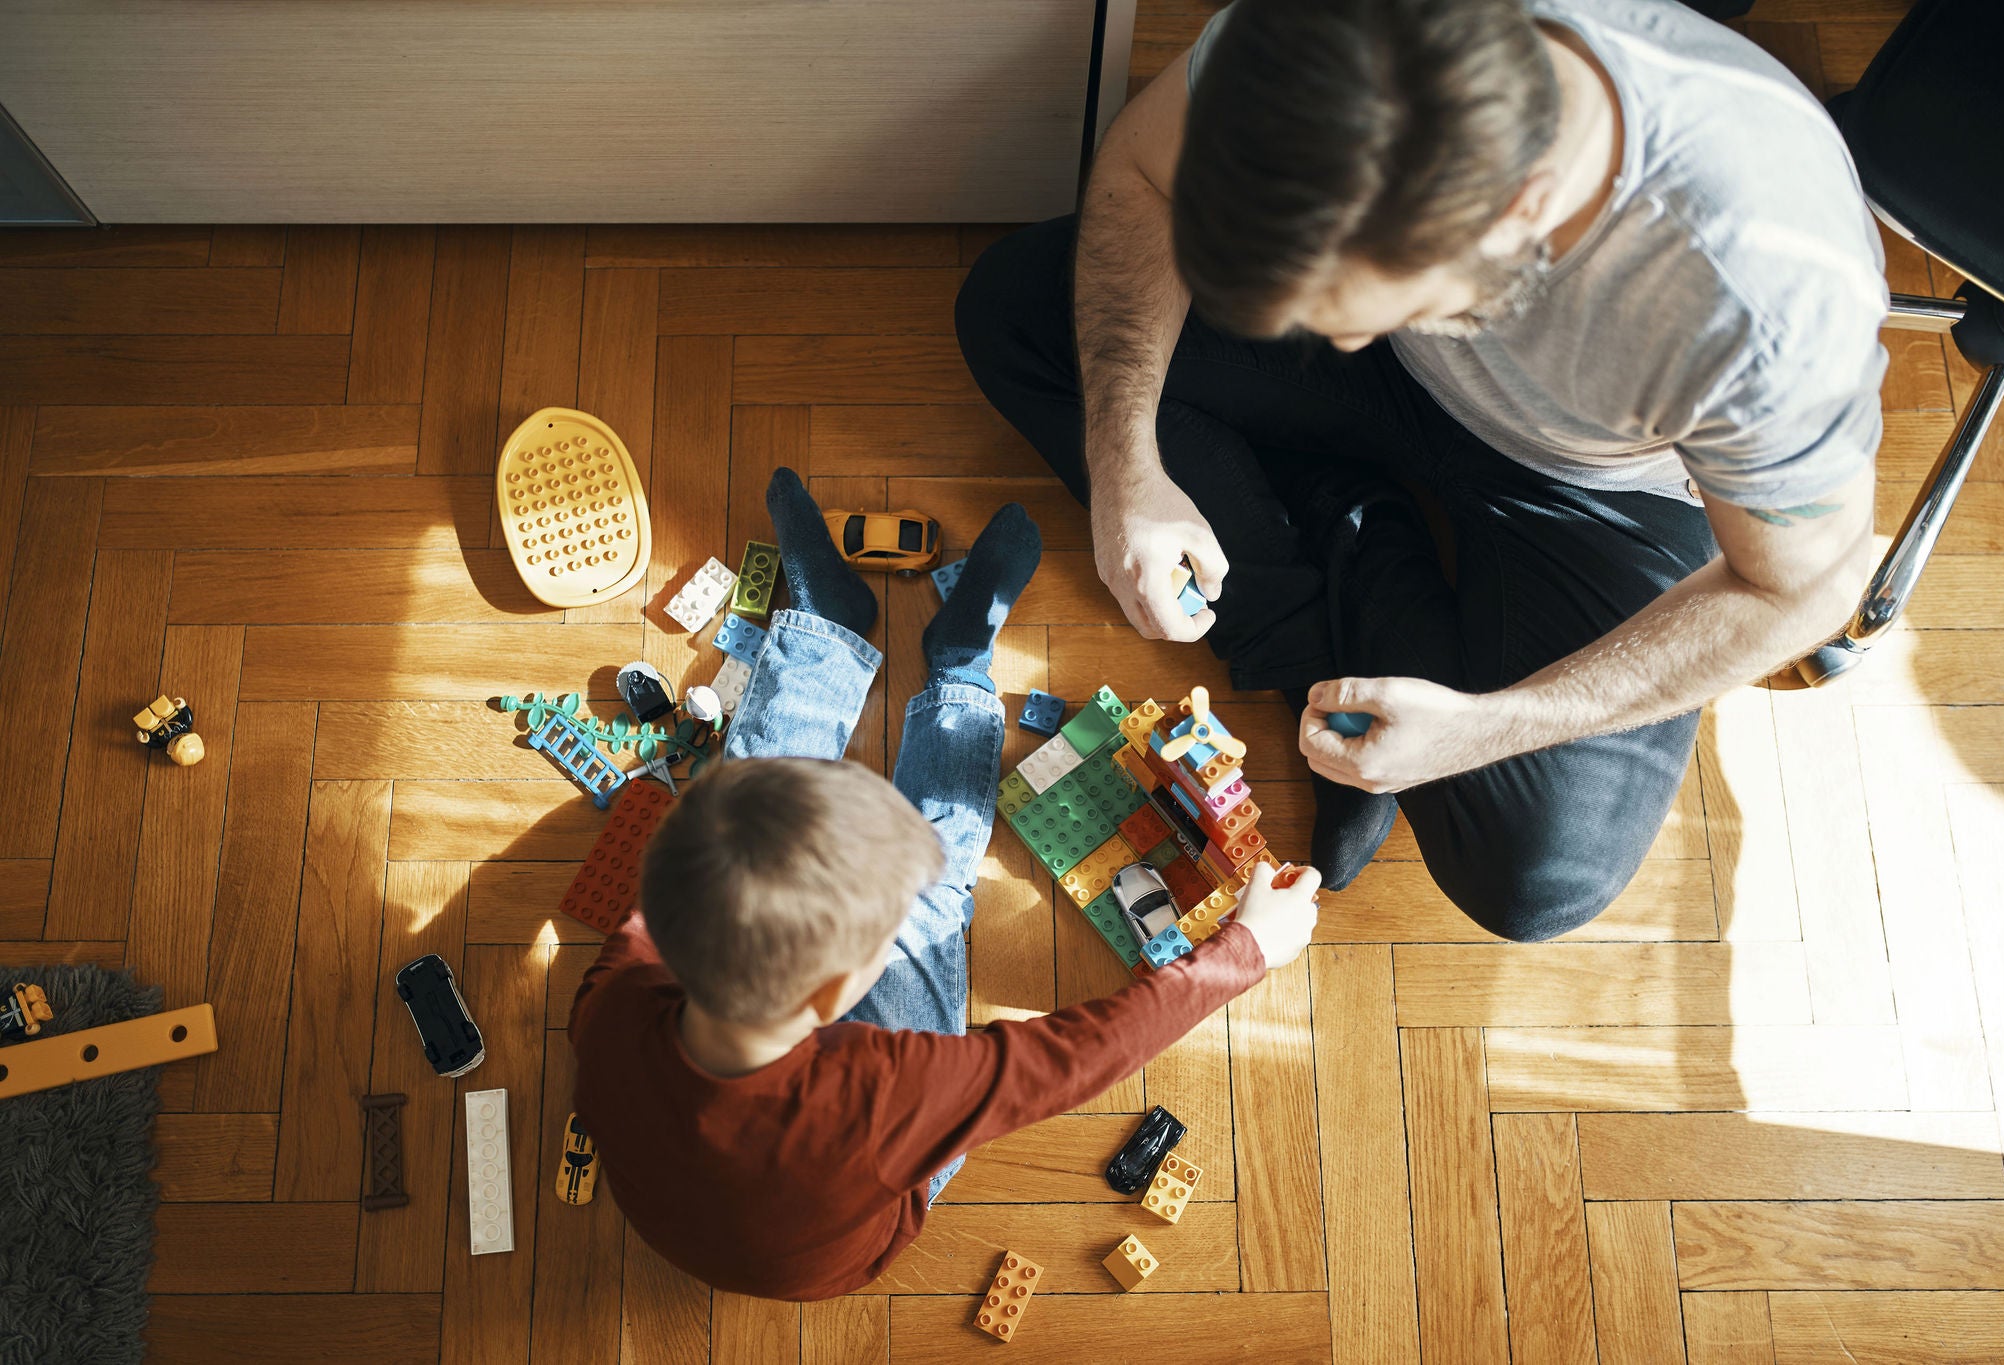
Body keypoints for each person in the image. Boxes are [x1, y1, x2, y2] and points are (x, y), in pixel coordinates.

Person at [956, 0, 1888, 941]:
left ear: (1524, 207)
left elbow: (1804, 586)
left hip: (1596, 488)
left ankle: (1332, 512)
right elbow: (1142, 174)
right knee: (1014, 308)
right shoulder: (1320, 40)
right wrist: (1126, 464)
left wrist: (1487, 728)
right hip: (1399, 386)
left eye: (1376, 300)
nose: (1343, 331)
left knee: (1537, 876)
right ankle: (1315, 634)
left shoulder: (1764, 302)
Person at [569, 469, 1324, 1300]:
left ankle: (827, 628)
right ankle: (961, 669)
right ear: (834, 998)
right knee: (930, 894)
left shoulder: (616, 996)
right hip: (851, 1242)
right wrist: (1249, 947)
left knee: (744, 806)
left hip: (696, 1196)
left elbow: (672, 881)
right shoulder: (887, 1094)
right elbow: (1085, 1054)